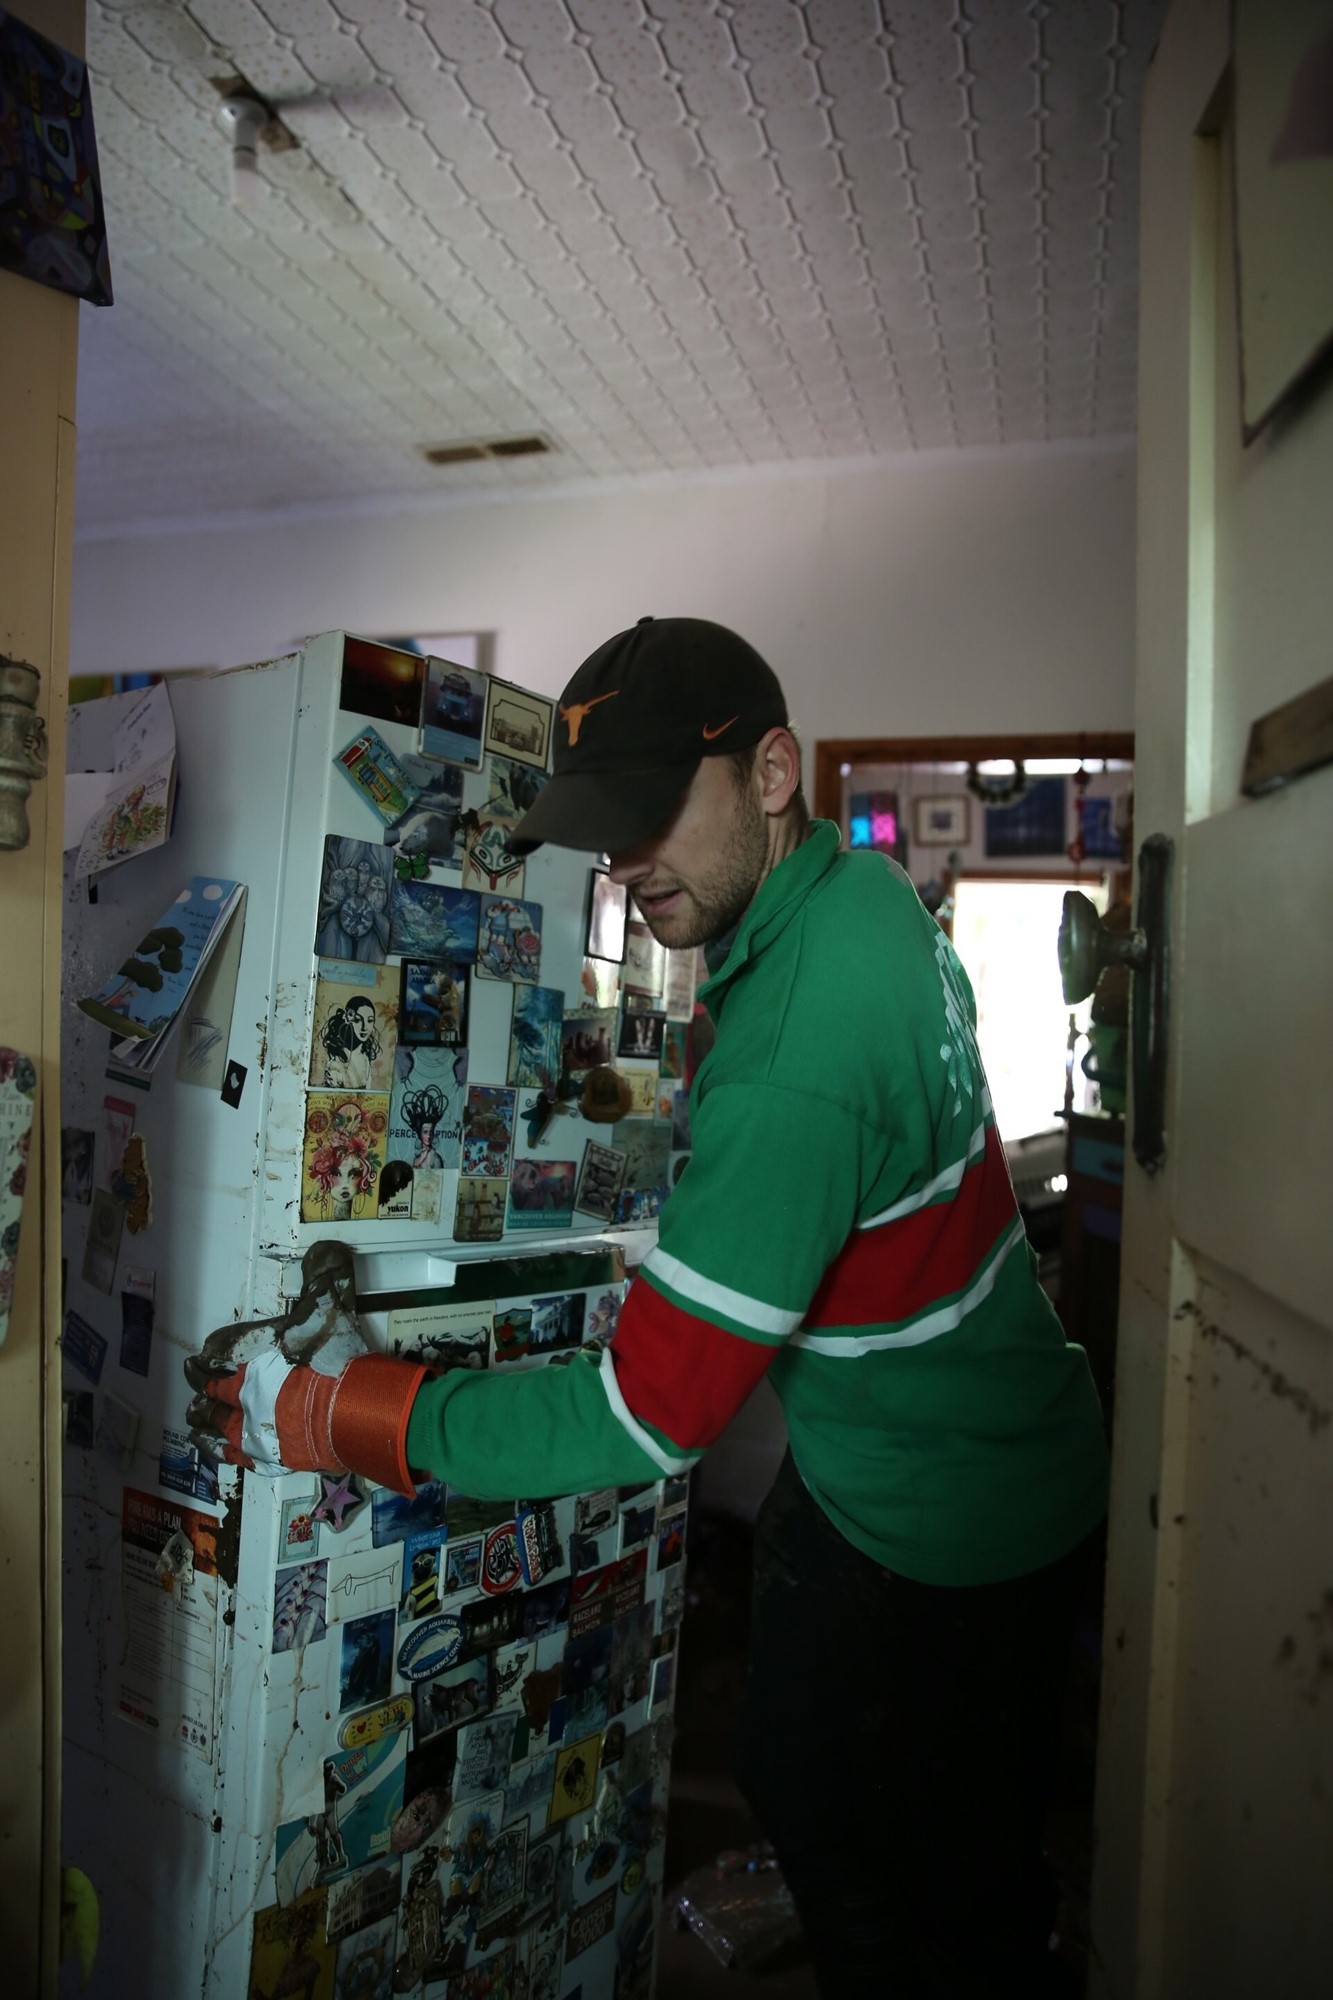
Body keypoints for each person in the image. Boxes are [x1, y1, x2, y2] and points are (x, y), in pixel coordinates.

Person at [188, 617, 1109, 1997]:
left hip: (939, 1530)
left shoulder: (802, 1043)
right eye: (601, 827)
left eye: (649, 818)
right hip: (963, 1441)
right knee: (814, 1778)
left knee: (889, 1888)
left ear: (774, 771)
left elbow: (648, 1414)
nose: (624, 866)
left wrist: (340, 1410)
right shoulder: (853, 896)